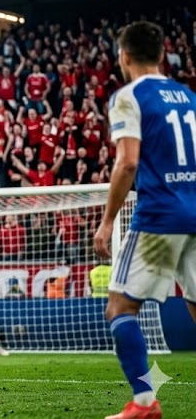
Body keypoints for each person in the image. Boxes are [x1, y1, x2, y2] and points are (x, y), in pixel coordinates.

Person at [94, 21, 196, 419]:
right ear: (162, 54)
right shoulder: (188, 96)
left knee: (120, 307)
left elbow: (128, 162)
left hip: (160, 217)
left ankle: (144, 403)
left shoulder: (128, 96)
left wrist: (107, 221)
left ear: (123, 56)